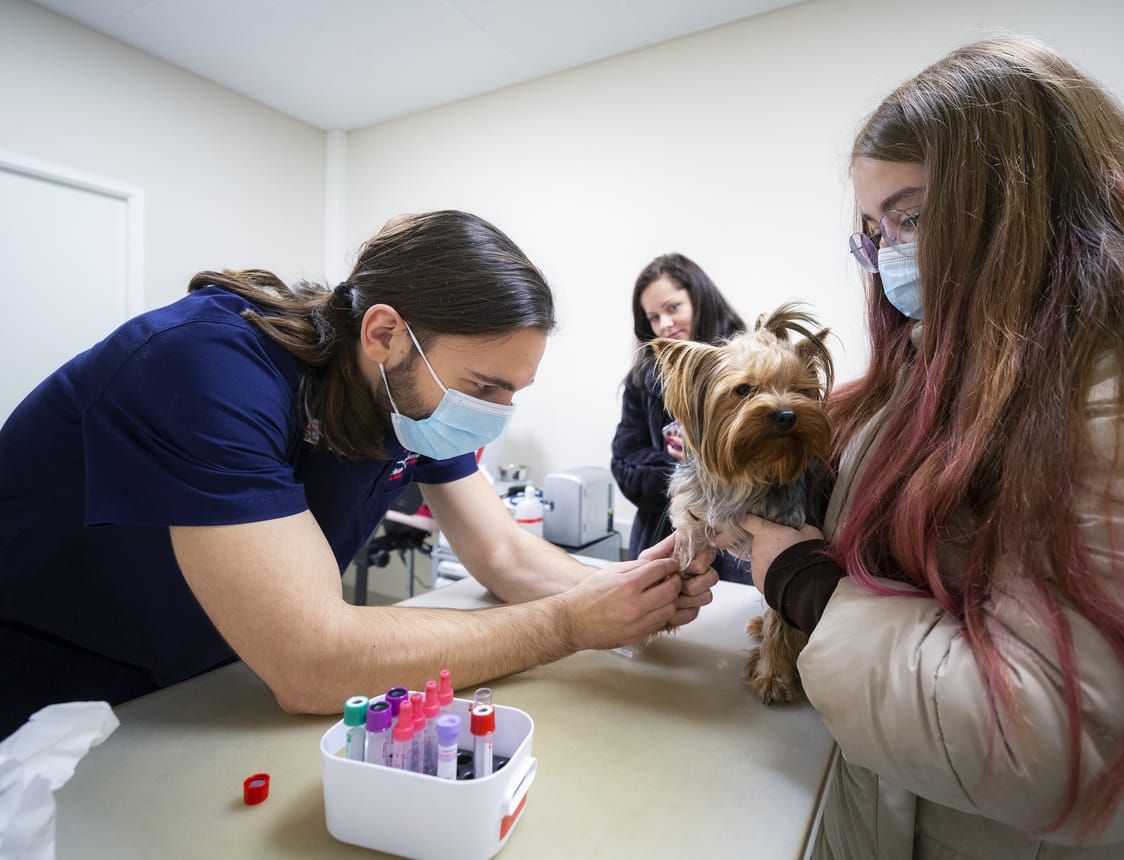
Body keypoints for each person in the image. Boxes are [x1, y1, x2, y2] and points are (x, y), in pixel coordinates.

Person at [737, 37, 1124, 859]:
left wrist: (807, 585)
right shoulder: (944, 359)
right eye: (873, 233)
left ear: (1023, 201)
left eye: (910, 218)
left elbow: (1058, 752)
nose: (888, 255)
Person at [0, 210, 717, 738]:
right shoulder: (206, 368)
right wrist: (566, 623)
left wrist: (626, 593)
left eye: (512, 392)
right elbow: (312, 658)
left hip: (205, 680)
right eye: (485, 385)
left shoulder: (408, 401)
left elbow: (501, 552)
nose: (496, 414)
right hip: (49, 683)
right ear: (383, 333)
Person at [610, 253, 753, 584]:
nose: (664, 324)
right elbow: (624, 466)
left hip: (738, 550)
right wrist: (682, 465)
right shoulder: (643, 382)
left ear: (699, 299)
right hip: (663, 545)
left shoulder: (749, 367)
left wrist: (707, 459)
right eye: (653, 317)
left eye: (672, 308)